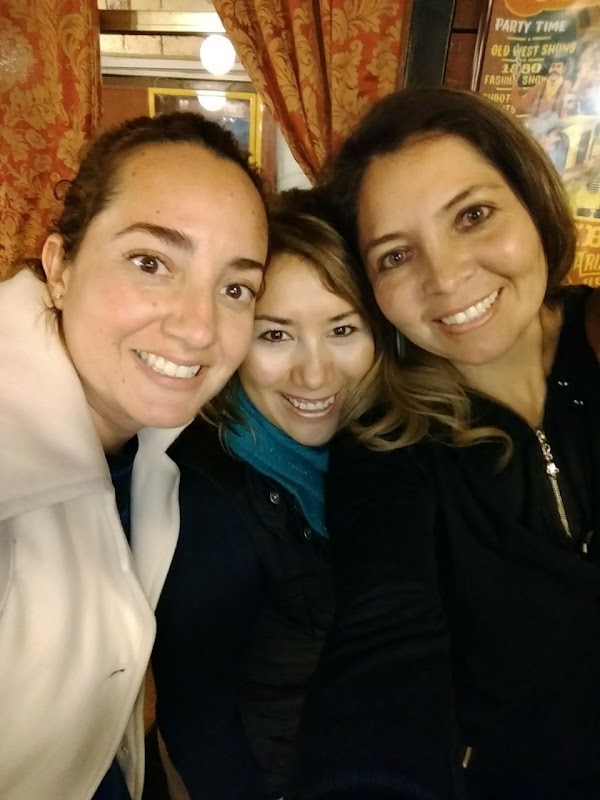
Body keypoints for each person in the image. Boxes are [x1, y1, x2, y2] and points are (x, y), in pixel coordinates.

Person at [288, 87, 600, 800]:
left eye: (473, 215)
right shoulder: (386, 446)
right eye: (396, 255)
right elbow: (382, 642)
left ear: (534, 202)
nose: (447, 276)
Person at [0, 111, 268, 800]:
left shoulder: (154, 444)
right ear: (59, 267)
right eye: (151, 263)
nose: (199, 328)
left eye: (235, 288)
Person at [151, 192, 384, 800]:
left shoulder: (377, 451)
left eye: (342, 329)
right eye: (275, 334)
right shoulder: (208, 502)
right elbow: (198, 724)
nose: (315, 374)